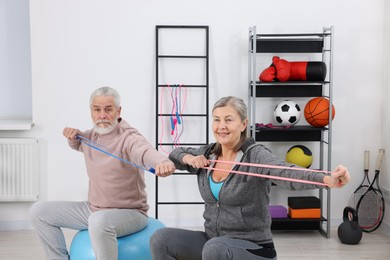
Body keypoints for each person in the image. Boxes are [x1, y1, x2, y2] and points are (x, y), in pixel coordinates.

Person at [150, 96, 350, 260]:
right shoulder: (208, 154)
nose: (221, 126)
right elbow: (177, 153)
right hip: (213, 242)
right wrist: (189, 158)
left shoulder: (255, 155)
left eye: (229, 119)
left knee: (214, 248)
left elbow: (286, 172)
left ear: (244, 124)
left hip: (254, 248)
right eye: (217, 119)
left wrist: (326, 178)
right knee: (161, 239)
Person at [30, 86, 175, 260]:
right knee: (39, 212)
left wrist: (163, 163)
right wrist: (72, 136)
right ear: (91, 111)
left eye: (108, 109)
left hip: (130, 213)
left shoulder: (129, 138)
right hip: (93, 209)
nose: (102, 115)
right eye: (97, 110)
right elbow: (79, 143)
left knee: (98, 221)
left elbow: (145, 152)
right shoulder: (91, 136)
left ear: (118, 111)